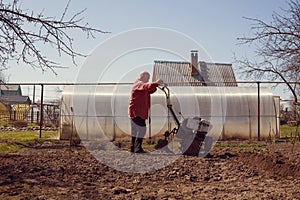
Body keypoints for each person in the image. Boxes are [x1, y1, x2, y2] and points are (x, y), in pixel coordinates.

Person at [128, 71, 163, 153]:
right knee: (142, 130)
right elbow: (146, 86)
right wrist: (155, 83)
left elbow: (150, 90)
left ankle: (133, 148)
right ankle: (138, 148)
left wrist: (155, 85)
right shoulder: (138, 84)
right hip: (137, 111)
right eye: (147, 78)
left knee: (135, 131)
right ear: (142, 76)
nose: (148, 80)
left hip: (136, 111)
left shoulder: (140, 86)